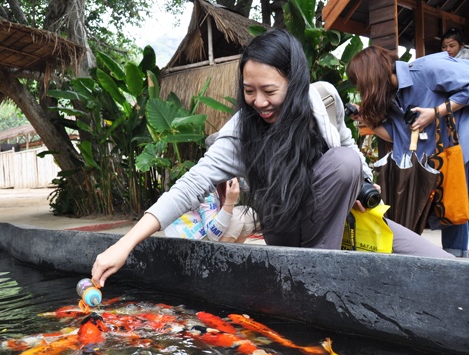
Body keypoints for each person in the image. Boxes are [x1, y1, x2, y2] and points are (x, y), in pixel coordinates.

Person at [92, 29, 454, 287]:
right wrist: (124, 245)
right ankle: (317, 281)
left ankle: (324, 271)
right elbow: (189, 186)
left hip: (341, 219)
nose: (259, 102)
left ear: (294, 82)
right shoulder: (241, 132)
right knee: (343, 165)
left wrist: (364, 190)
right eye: (249, 91)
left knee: (444, 267)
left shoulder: (325, 99)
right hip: (288, 231)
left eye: (269, 90)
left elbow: (350, 151)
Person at [347, 45, 469, 257]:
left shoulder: (427, 68)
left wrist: (434, 112)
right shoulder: (393, 96)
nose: (361, 91)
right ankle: (454, 265)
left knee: (455, 210)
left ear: (371, 78)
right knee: (447, 212)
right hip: (435, 162)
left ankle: (456, 265)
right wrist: (367, 120)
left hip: (459, 150)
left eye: (361, 85)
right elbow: (397, 135)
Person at [164, 178, 257, 243]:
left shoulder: (225, 178)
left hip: (204, 230)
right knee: (237, 218)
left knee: (249, 215)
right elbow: (212, 235)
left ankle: (234, 256)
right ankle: (217, 261)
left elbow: (249, 185)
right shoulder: (208, 185)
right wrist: (230, 202)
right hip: (188, 239)